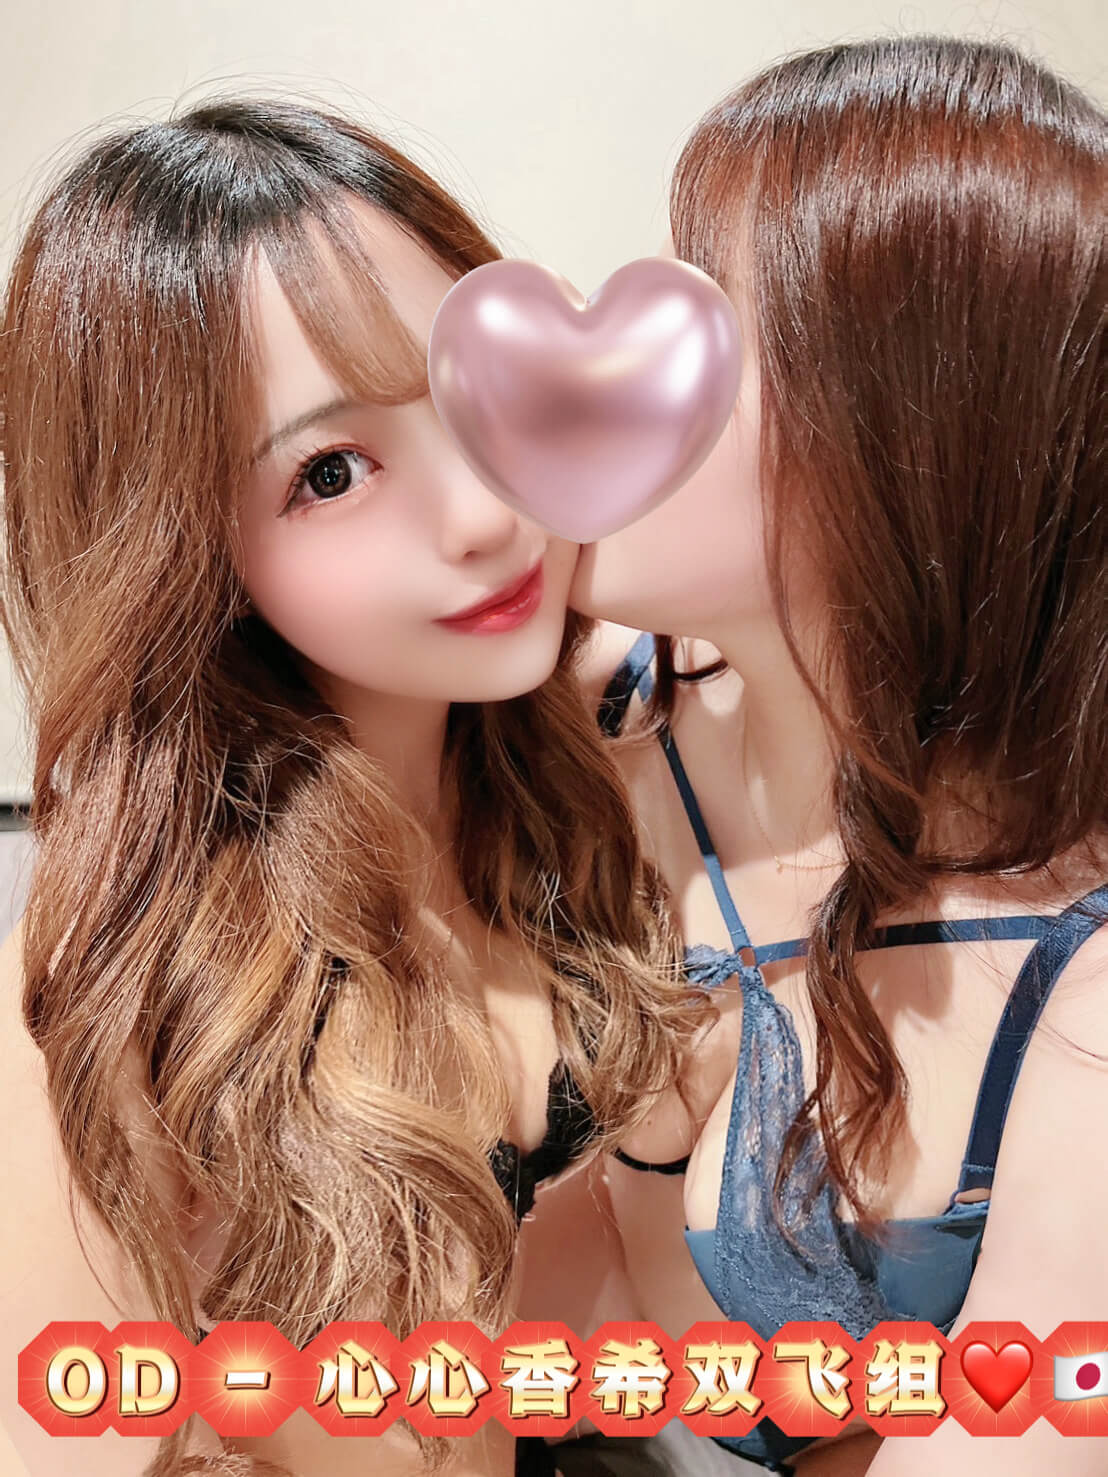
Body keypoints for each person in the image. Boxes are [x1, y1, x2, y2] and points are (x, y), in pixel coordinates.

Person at [0, 97, 702, 1477]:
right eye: (330, 471)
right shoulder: (125, 987)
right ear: (181, 550)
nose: (485, 515)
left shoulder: (594, 773)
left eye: (476, 398)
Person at [572, 34, 1108, 1476]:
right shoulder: (579, 740)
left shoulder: (1081, 966)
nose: (608, 375)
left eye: (703, 325)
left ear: (912, 429)